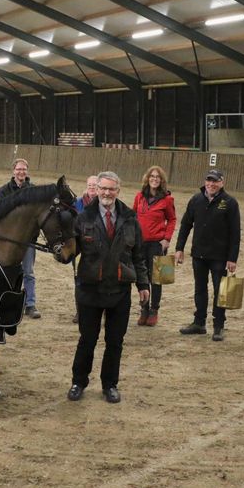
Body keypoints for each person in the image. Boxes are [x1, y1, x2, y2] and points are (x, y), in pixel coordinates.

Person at [67, 172, 149, 404]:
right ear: (97, 190)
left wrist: (143, 284)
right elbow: (70, 252)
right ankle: (78, 382)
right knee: (87, 339)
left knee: (115, 342)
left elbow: (138, 256)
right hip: (90, 291)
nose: (106, 193)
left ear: (118, 191)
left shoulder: (130, 219)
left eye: (111, 189)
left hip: (120, 291)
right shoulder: (83, 218)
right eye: (103, 188)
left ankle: (110, 385)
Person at [175, 169, 241, 341]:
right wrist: (179, 248)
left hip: (219, 256)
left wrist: (232, 258)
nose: (211, 184)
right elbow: (185, 225)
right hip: (199, 254)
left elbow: (235, 233)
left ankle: (219, 326)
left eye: (215, 181)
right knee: (200, 289)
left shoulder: (230, 203)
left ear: (222, 183)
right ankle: (199, 323)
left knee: (221, 291)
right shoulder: (196, 200)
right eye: (209, 180)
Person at [132, 166, 177, 327]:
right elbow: (133, 216)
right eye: (152, 176)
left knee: (157, 278)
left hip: (157, 243)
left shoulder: (167, 199)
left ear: (162, 180)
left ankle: (154, 310)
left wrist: (167, 239)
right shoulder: (139, 197)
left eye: (158, 177)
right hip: (140, 243)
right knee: (141, 277)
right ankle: (144, 308)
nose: (155, 179)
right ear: (147, 178)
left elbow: (172, 220)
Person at [0, 158, 41, 319]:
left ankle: (30, 304)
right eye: (18, 169)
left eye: (24, 169)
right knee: (10, 272)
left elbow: (37, 217)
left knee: (28, 272)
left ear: (26, 171)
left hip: (27, 241)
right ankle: (10, 304)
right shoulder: (3, 191)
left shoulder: (34, 191)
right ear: (13, 171)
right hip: (9, 241)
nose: (21, 172)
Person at [70, 176, 100, 324]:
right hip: (80, 244)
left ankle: (97, 310)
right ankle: (80, 311)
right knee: (79, 279)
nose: (92, 187)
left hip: (97, 246)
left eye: (95, 185)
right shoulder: (78, 203)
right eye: (89, 185)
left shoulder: (102, 203)